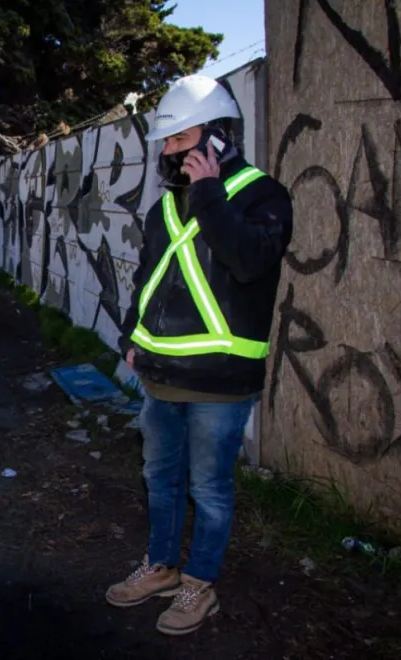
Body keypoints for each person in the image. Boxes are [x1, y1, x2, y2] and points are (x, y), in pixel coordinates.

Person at [105, 75, 293, 636]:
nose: (167, 152)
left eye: (178, 139)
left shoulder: (264, 195)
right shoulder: (167, 206)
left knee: (208, 487)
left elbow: (249, 262)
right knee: (159, 477)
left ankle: (199, 586)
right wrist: (132, 337)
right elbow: (150, 279)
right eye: (165, 142)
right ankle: (161, 568)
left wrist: (209, 194)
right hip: (161, 376)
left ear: (216, 138)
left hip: (221, 380)